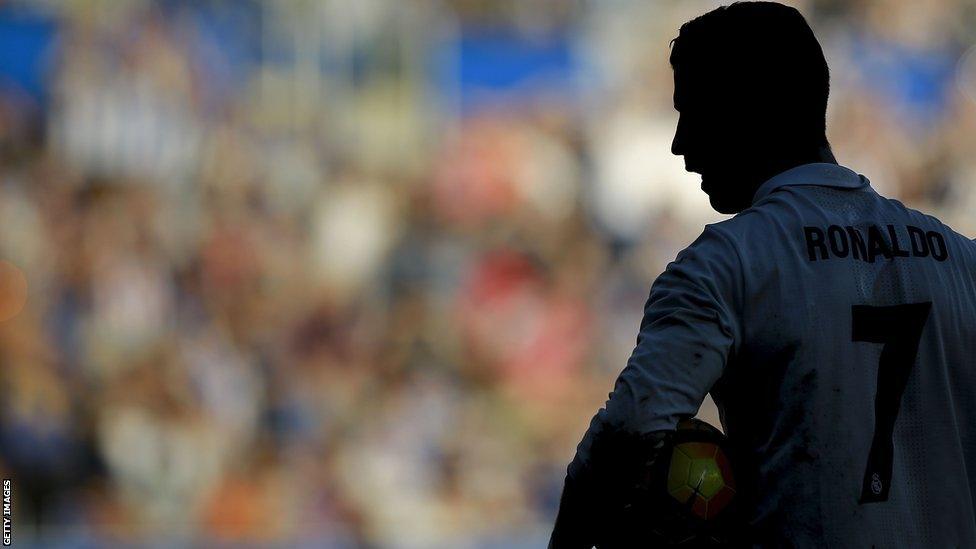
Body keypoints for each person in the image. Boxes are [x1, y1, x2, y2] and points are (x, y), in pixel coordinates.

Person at [549, 2, 976, 547]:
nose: (680, 146)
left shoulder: (725, 264)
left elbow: (630, 434)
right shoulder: (962, 260)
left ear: (745, 111)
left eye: (692, 113)